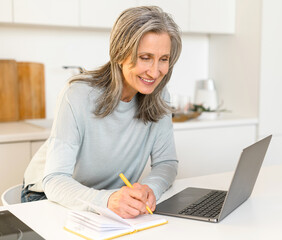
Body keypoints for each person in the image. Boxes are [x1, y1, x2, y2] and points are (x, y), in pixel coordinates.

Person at [21, 6, 182, 219]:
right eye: (145, 57)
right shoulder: (77, 94)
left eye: (163, 59)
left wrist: (150, 189)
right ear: (119, 53)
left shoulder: (159, 96)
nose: (155, 71)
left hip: (107, 199)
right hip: (49, 197)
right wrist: (106, 200)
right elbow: (56, 179)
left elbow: (166, 163)